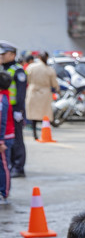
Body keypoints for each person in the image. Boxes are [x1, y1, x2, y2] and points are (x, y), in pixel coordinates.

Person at [0, 41, 27, 178]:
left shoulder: (18, 70)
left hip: (14, 109)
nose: (1, 57)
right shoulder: (3, 69)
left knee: (16, 138)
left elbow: (21, 93)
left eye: (4, 54)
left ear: (12, 55)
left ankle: (18, 166)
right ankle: (9, 164)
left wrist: (19, 111)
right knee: (6, 138)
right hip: (4, 109)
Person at [25, 52, 59, 140]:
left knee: (34, 115)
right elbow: (54, 83)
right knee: (45, 114)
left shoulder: (31, 67)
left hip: (33, 91)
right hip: (45, 93)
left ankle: (35, 134)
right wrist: (57, 89)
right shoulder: (49, 69)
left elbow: (27, 80)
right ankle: (45, 134)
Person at [0, 72, 12, 204]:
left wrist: (1, 141)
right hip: (4, 136)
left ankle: (5, 193)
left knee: (3, 166)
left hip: (4, 137)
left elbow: (1, 121)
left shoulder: (2, 99)